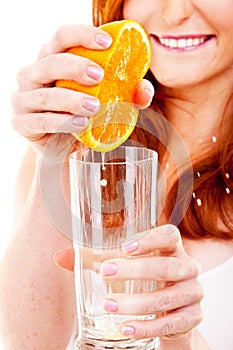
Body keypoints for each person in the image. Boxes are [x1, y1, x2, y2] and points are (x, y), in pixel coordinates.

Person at [0, 0, 233, 349]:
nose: (174, 13)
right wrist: (57, 153)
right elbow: (30, 344)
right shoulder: (71, 151)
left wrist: (179, 338)